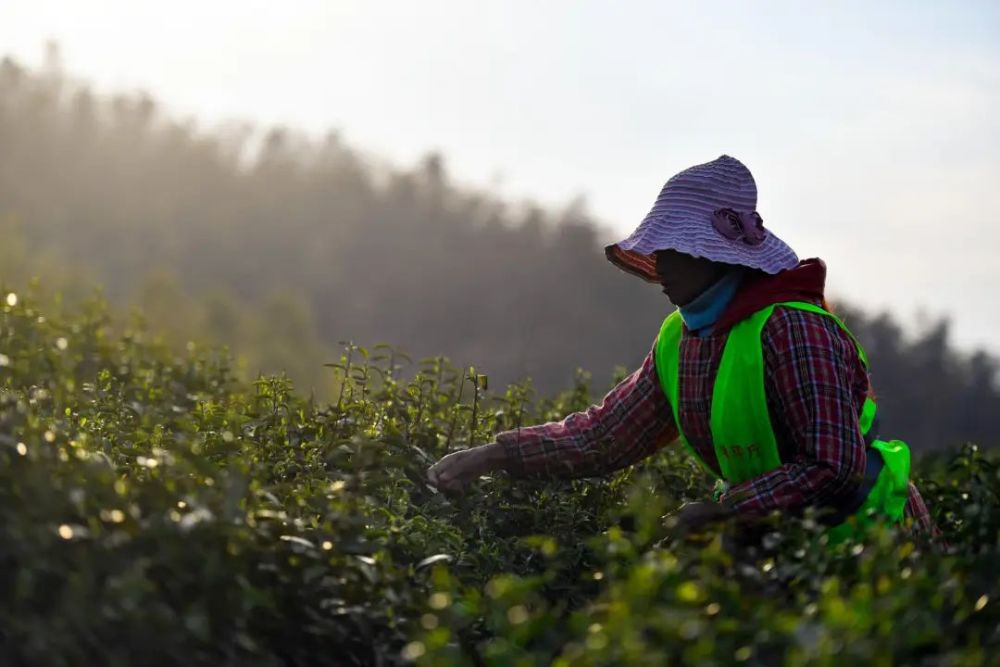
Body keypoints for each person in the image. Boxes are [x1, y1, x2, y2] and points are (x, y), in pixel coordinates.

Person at [426, 154, 936, 542]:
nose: (661, 265)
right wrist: (494, 455)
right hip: (782, 541)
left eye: (676, 250)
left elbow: (833, 467)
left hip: (874, 544)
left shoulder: (794, 329)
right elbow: (606, 437)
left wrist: (722, 511)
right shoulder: (682, 339)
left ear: (721, 257)